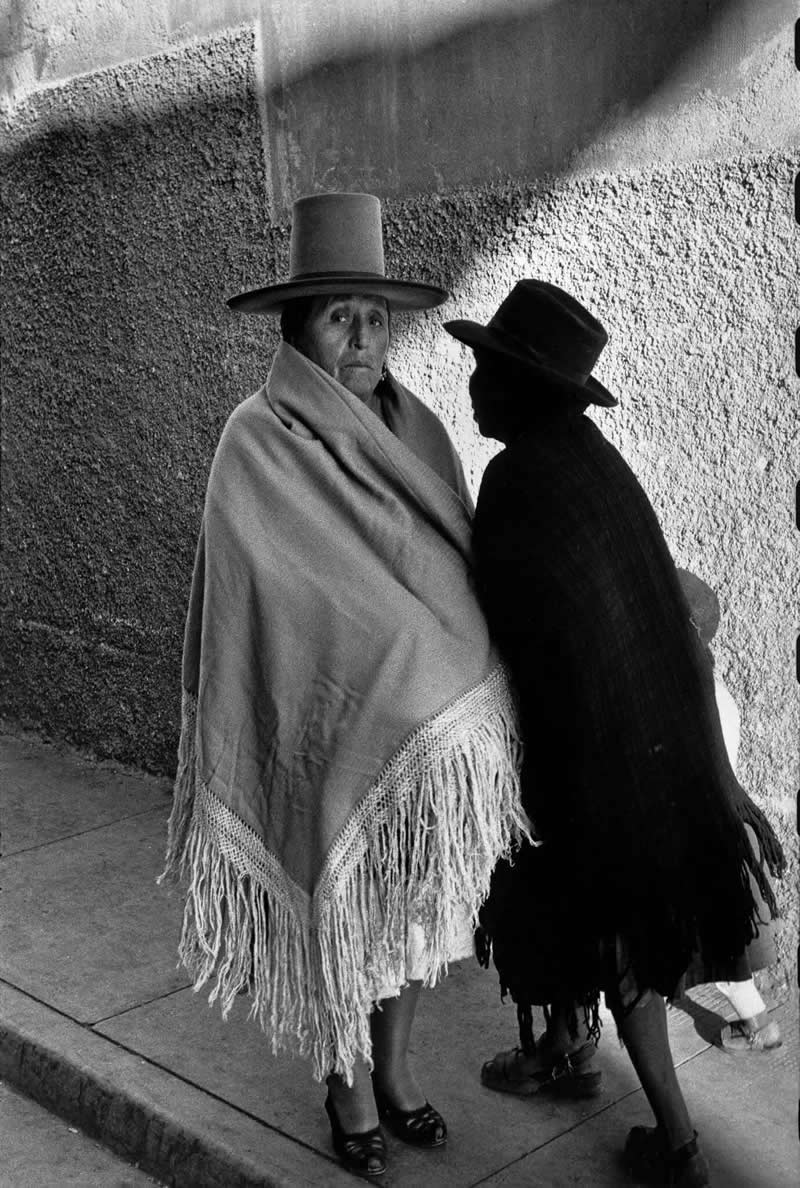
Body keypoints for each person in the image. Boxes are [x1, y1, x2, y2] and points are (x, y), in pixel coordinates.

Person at [160, 193, 527, 1178]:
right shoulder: (256, 438)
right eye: (339, 315)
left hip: (424, 754)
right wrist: (402, 655)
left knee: (416, 922)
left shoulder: (416, 429)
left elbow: (449, 562)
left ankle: (397, 1073)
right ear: (296, 327)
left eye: (375, 314)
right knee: (345, 920)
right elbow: (279, 596)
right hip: (324, 733)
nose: (364, 334)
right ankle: (346, 1085)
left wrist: (448, 657)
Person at [444, 279, 785, 1186]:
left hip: (600, 768)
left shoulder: (520, 479)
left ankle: (677, 1146)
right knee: (581, 922)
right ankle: (562, 1046)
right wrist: (720, 781)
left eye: (489, 367)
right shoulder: (591, 463)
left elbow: (506, 627)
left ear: (526, 387)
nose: (473, 383)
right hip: (649, 748)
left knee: (616, 946)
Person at [676, 569, 783, 1054]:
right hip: (718, 837)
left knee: (715, 950)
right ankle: (757, 1023)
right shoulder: (719, 696)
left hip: (694, 840)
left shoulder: (680, 701)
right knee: (719, 947)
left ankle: (759, 1025)